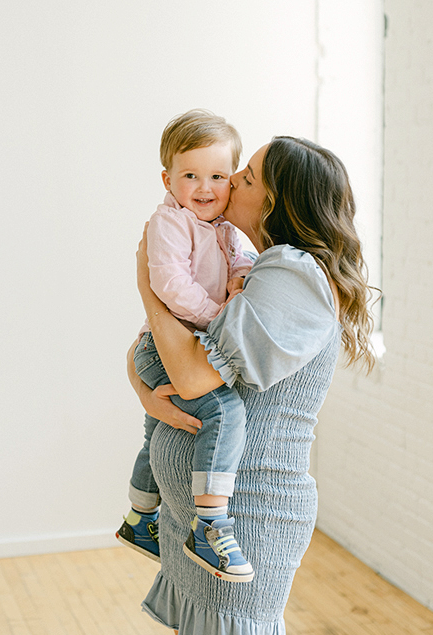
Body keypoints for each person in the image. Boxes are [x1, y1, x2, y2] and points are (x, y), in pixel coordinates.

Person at [128, 135, 374, 635]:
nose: (229, 180)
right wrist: (147, 394)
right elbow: (154, 356)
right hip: (196, 519)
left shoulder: (292, 275)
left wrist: (149, 289)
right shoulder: (241, 262)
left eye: (247, 173)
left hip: (248, 519)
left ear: (277, 199)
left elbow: (198, 378)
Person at [117, 109, 258, 582]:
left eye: (218, 176)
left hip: (180, 340)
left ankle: (140, 517)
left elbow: (241, 260)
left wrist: (240, 279)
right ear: (168, 179)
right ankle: (211, 523)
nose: (204, 187)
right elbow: (171, 285)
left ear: (233, 182)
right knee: (225, 412)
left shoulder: (224, 229)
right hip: (164, 345)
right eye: (191, 175)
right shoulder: (170, 222)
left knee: (159, 429)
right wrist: (219, 317)